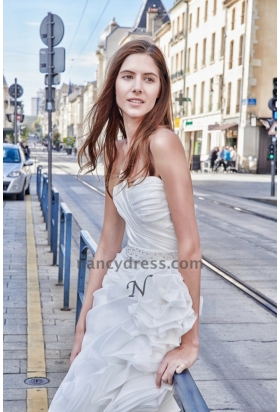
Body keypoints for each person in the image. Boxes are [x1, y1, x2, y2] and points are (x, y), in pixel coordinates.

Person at [48, 39, 202, 412]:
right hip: (120, 292)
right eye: (128, 76)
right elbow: (106, 244)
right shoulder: (114, 153)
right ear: (113, 85)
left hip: (159, 303)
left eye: (149, 79)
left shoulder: (164, 142)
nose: (137, 87)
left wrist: (190, 341)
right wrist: (83, 326)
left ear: (160, 89)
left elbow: (191, 246)